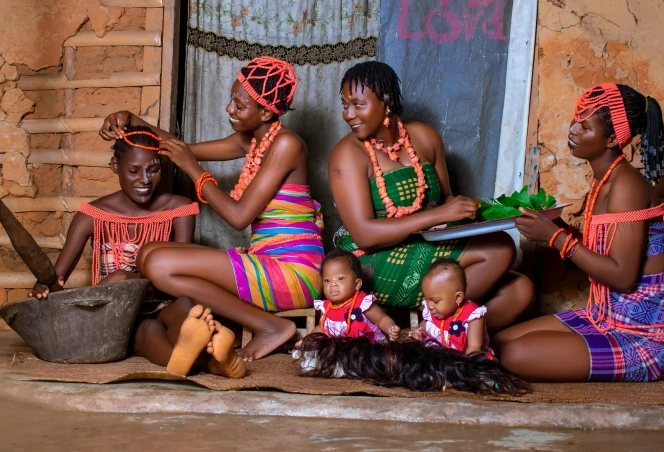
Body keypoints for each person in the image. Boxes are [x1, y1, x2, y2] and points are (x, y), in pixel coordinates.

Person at [100, 57, 324, 362]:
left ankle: (270, 326)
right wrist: (132, 120)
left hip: (294, 272)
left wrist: (194, 171)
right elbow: (179, 148)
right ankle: (265, 324)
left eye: (239, 105)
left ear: (266, 112)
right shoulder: (253, 142)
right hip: (266, 261)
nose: (229, 109)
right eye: (232, 99)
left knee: (159, 264)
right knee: (148, 255)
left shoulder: (287, 145)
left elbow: (238, 217)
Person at [495, 83, 664, 382]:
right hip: (603, 318)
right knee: (496, 344)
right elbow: (609, 252)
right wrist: (556, 228)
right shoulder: (606, 181)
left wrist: (557, 238)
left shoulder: (626, 186)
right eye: (575, 121)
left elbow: (622, 277)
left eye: (584, 127)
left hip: (644, 342)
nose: (572, 130)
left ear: (612, 138)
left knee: (513, 356)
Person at [330, 61, 533, 334]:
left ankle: (443, 342)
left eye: (358, 104)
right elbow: (365, 234)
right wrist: (440, 215)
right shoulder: (347, 154)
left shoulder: (425, 137)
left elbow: (445, 200)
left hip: (424, 242)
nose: (348, 114)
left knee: (521, 289)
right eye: (345, 105)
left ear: (386, 102)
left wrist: (468, 210)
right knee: (500, 249)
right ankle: (433, 330)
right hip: (370, 257)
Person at [28, 126, 242, 377]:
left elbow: (183, 268)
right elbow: (56, 279)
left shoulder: (179, 208)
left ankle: (203, 349)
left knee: (185, 306)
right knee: (144, 326)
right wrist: (44, 287)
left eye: (154, 169)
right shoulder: (91, 215)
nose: (145, 179)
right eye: (133, 170)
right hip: (117, 315)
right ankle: (209, 361)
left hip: (164, 302)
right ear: (114, 166)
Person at [309, 248, 401, 342]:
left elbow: (381, 320)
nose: (332, 284)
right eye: (327, 280)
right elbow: (322, 329)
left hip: (368, 350)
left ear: (357, 284)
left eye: (340, 278)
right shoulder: (326, 307)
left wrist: (390, 328)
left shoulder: (363, 303)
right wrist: (307, 340)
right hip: (341, 352)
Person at [409, 258, 492, 357]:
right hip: (438, 358)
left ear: (457, 298)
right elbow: (425, 324)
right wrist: (421, 333)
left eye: (435, 301)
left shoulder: (473, 317)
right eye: (427, 300)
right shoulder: (434, 310)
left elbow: (474, 349)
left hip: (465, 361)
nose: (430, 306)